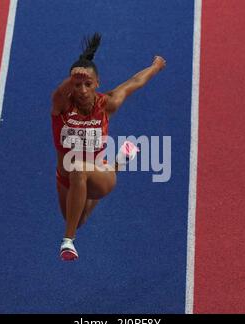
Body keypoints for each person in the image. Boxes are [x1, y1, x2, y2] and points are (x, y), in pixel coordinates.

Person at [51, 33, 166, 261]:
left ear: (97, 84)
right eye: (77, 85)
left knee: (78, 169)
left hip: (99, 175)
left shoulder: (107, 104)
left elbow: (134, 82)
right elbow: (57, 94)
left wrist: (156, 66)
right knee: (77, 219)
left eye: (88, 84)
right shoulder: (62, 107)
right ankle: (122, 159)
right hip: (66, 179)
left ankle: (67, 241)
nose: (83, 90)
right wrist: (70, 78)